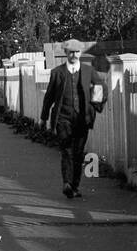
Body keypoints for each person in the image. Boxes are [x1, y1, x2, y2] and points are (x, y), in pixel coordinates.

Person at [40, 40, 108, 199]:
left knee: (78, 153)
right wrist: (44, 118)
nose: (73, 55)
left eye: (76, 52)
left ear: (80, 53)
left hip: (82, 118)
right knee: (66, 149)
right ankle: (67, 184)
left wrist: (96, 102)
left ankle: (75, 185)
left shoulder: (88, 71)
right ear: (66, 53)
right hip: (63, 118)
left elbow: (101, 87)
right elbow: (49, 97)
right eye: (70, 52)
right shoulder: (57, 72)